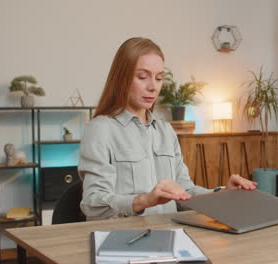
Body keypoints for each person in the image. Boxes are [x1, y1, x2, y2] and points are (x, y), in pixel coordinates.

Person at [79, 38, 257, 221]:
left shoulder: (166, 131)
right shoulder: (100, 130)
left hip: (169, 235)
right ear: (121, 78)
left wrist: (223, 193)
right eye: (142, 77)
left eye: (159, 78)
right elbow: (93, 204)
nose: (152, 87)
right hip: (124, 240)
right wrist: (144, 201)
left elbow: (184, 192)